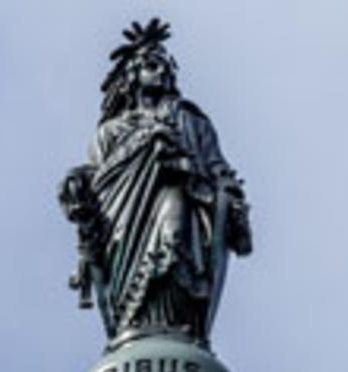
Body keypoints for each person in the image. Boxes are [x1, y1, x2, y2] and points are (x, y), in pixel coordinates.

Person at [60, 19, 251, 347]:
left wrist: (229, 195)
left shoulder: (191, 121)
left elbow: (217, 166)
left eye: (166, 67)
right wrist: (77, 185)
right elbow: (99, 178)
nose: (161, 72)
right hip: (122, 217)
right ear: (132, 75)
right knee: (132, 267)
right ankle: (134, 324)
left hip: (181, 191)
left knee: (174, 238)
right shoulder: (110, 132)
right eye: (151, 65)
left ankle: (177, 323)